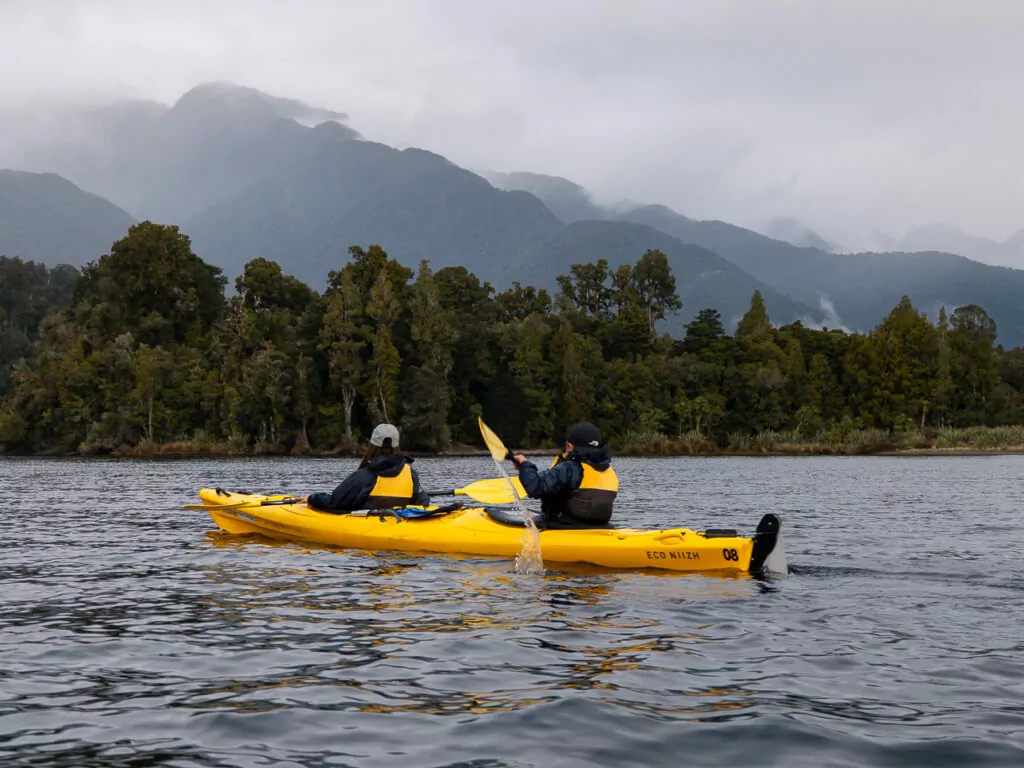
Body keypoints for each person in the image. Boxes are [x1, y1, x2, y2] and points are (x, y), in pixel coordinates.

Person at [510, 421, 618, 528]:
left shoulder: (570, 468)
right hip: (600, 528)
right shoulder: (610, 472)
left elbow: (535, 487)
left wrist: (524, 465)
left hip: (563, 526)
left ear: (570, 446)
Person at [301, 424, 429, 512]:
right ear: (396, 446)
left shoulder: (364, 476)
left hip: (372, 528)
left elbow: (334, 502)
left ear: (372, 446)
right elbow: (423, 502)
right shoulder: (411, 474)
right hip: (398, 525)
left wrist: (312, 498)